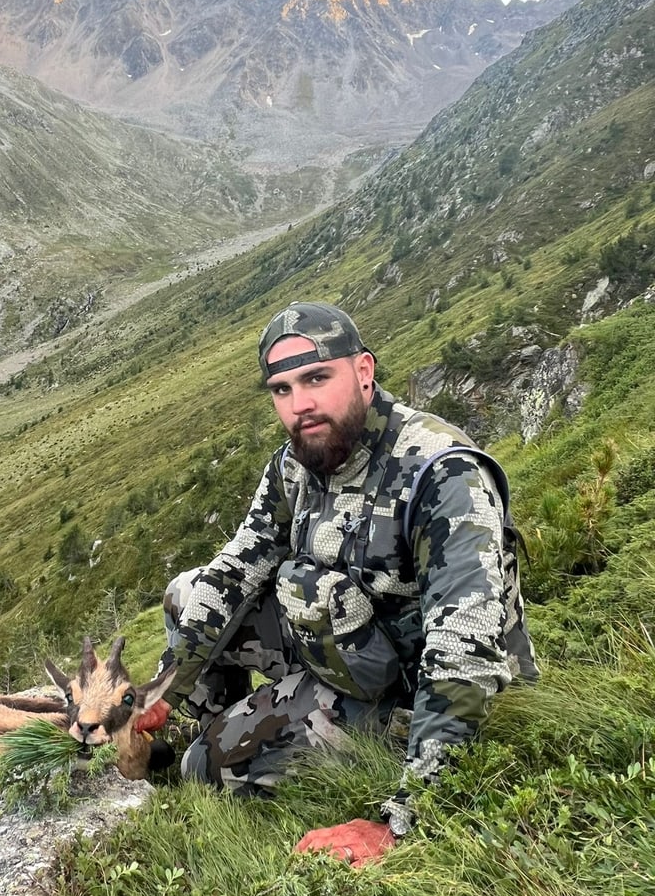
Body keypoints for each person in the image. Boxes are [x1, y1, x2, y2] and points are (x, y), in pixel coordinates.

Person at [136, 301, 538, 865]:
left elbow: (464, 652)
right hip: (340, 638)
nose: (300, 405)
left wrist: (405, 821)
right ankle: (208, 729)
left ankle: (214, 754)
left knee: (206, 766)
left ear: (364, 372)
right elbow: (235, 571)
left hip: (411, 695)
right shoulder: (296, 465)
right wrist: (161, 694)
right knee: (189, 594)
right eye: (281, 390)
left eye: (316, 378)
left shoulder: (441, 473)